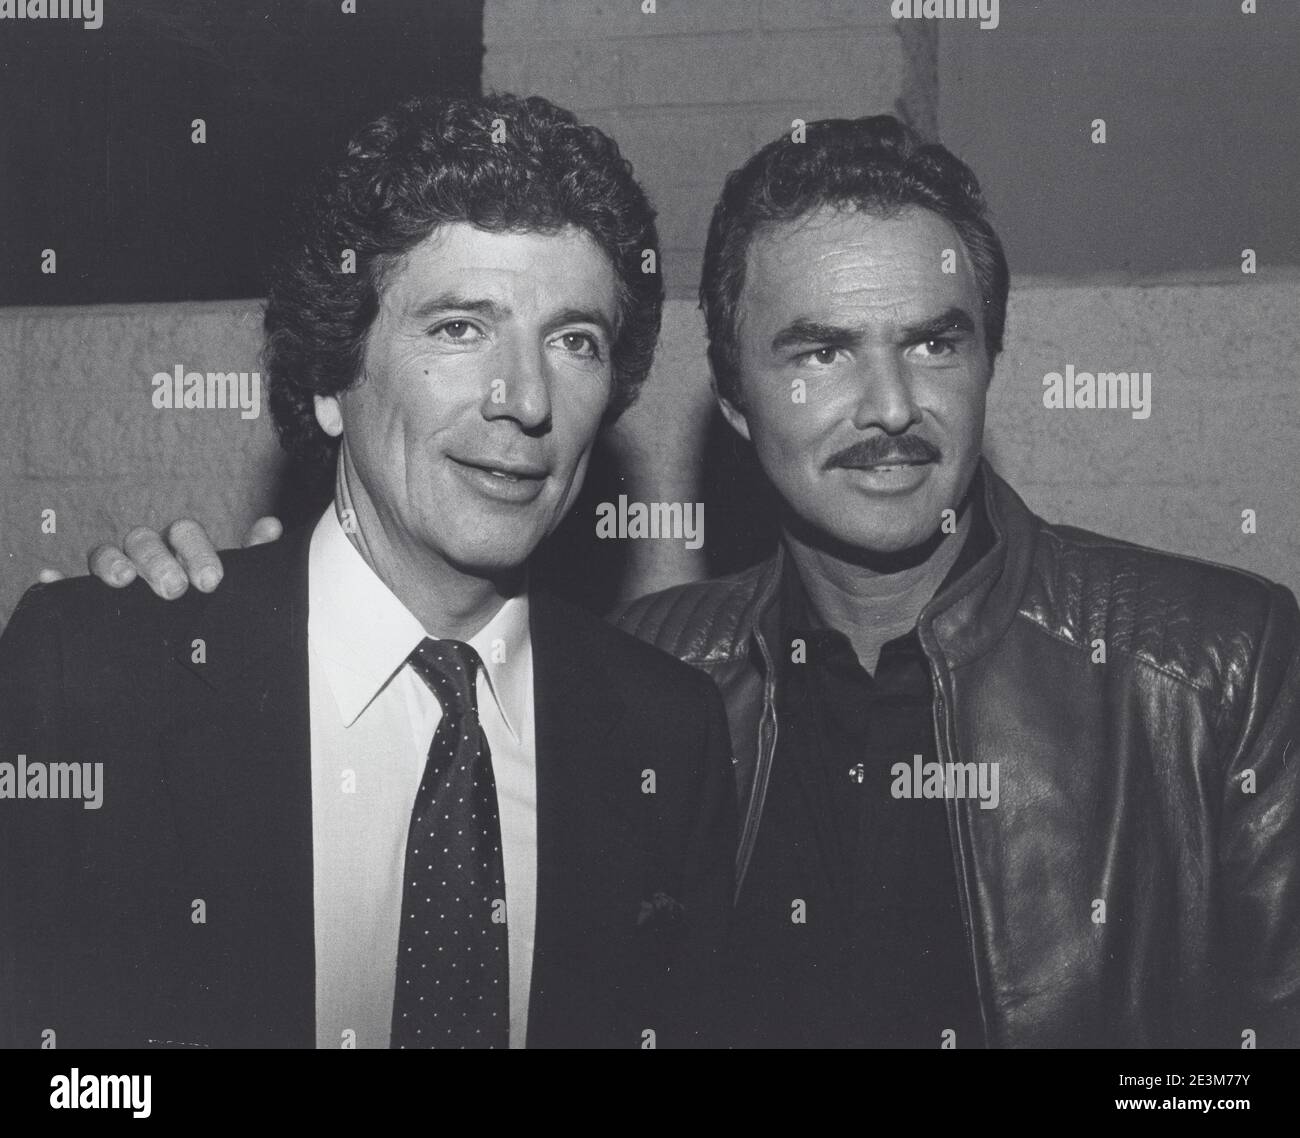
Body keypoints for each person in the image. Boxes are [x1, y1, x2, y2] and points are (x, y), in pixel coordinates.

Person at [80, 116, 1300, 1049]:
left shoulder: (1212, 668)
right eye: (819, 351)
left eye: (934, 340)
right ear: (729, 399)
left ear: (990, 361)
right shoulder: (662, 686)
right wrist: (168, 623)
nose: (889, 408)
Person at [0, 92, 737, 1050]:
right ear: (331, 379)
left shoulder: (666, 734)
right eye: (459, 328)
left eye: (573, 340)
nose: (525, 398)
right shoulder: (98, 675)